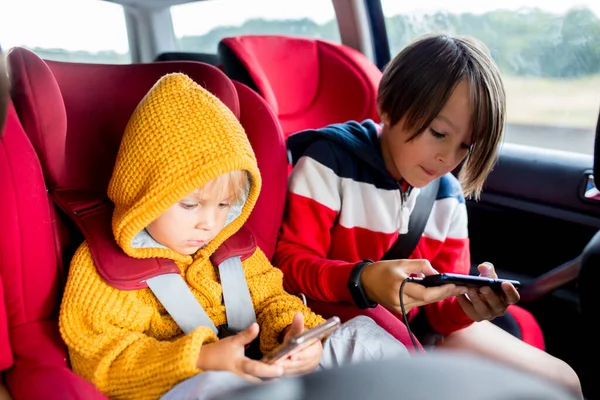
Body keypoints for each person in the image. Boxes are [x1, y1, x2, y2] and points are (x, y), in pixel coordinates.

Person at [58, 72, 464, 400]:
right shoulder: (105, 270)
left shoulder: (230, 248)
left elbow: (272, 297)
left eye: (223, 206)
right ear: (144, 192)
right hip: (183, 381)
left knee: (363, 339)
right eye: (189, 205)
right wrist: (199, 359)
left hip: (265, 363)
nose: (208, 224)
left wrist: (294, 334)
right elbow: (102, 360)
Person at [273, 32, 582, 397]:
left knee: (563, 383)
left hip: (417, 331)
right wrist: (362, 280)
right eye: (438, 133)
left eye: (466, 146)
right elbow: (287, 267)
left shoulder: (446, 196)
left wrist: (468, 307)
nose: (448, 159)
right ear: (388, 104)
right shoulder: (329, 164)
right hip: (334, 324)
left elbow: (439, 315)